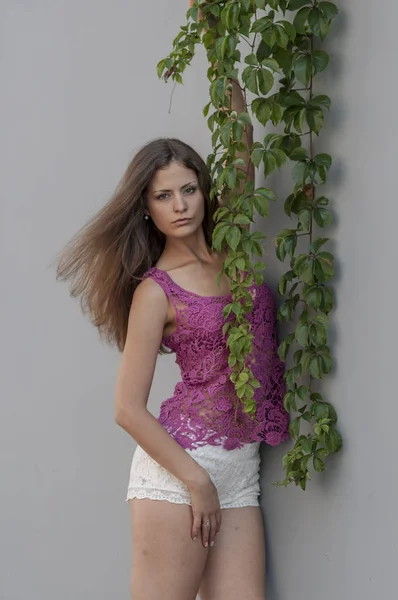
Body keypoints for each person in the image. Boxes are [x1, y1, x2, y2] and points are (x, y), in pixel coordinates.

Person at [56, 6, 289, 600]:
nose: (180, 204)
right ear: (148, 208)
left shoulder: (231, 249)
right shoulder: (155, 290)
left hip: (242, 469)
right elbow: (127, 408)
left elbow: (241, 140)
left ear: (205, 194)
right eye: (164, 195)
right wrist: (195, 481)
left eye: (189, 188)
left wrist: (215, 40)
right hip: (179, 471)